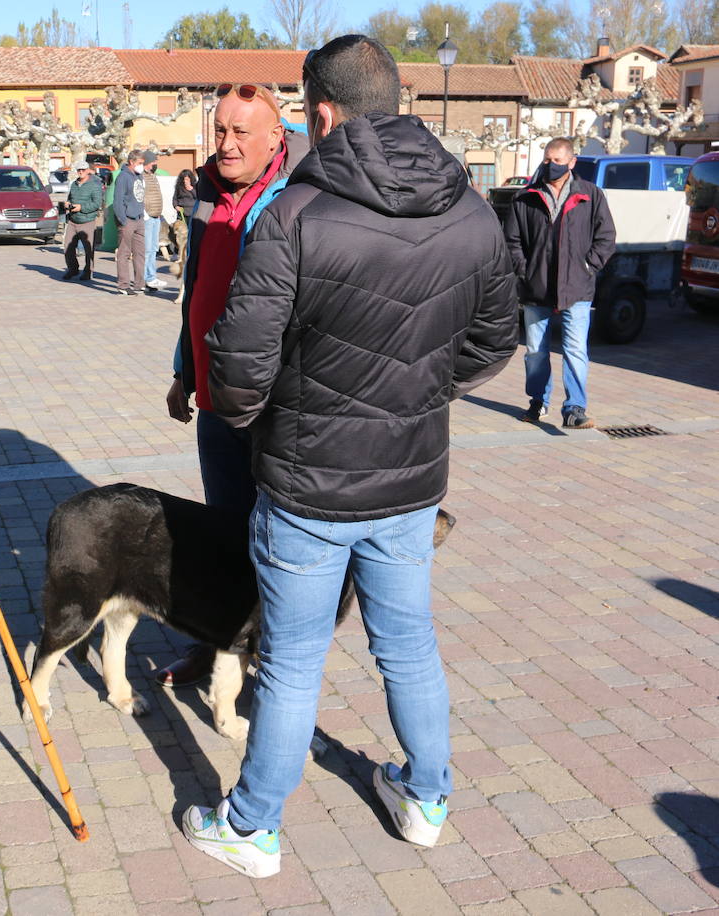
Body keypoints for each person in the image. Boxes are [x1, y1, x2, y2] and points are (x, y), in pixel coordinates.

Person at [181, 35, 518, 879]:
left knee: (293, 665)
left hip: (307, 488)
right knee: (408, 646)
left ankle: (253, 827)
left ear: (320, 114)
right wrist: (419, 388)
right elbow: (495, 340)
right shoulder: (470, 209)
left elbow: (239, 369)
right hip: (407, 480)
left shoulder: (296, 215)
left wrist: (268, 425)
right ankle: (427, 799)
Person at [156, 85, 309, 691]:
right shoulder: (207, 195)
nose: (226, 143)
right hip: (217, 397)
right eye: (220, 130)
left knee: (272, 537)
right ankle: (215, 644)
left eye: (241, 131)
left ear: (277, 136)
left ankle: (271, 661)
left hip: (271, 405)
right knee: (224, 531)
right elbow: (197, 293)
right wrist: (183, 372)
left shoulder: (295, 199)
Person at [505, 137, 616, 428]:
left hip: (577, 288)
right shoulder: (525, 197)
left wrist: (587, 266)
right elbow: (511, 240)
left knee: (576, 349)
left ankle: (574, 409)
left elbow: (606, 237)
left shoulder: (591, 195)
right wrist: (524, 270)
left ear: (571, 162)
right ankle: (538, 401)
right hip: (536, 288)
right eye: (547, 159)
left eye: (557, 161)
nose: (551, 165)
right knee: (536, 352)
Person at [63, 160, 103, 281]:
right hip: (73, 220)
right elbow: (70, 197)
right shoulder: (74, 184)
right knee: (67, 247)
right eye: (78, 170)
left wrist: (82, 208)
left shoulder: (94, 185)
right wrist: (67, 203)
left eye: (83, 170)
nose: (80, 172)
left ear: (88, 171)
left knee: (88, 249)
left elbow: (97, 203)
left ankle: (88, 271)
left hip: (87, 221)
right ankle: (73, 269)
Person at [113, 150, 146, 295]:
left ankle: (139, 284)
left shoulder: (138, 176)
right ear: (132, 162)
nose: (142, 166)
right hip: (127, 220)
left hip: (139, 219)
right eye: (140, 163)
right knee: (124, 253)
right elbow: (117, 201)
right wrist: (123, 220)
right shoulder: (123, 177)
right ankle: (123, 285)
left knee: (140, 253)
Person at [142, 150, 167, 291]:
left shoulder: (152, 176)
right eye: (153, 162)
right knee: (147, 250)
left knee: (153, 249)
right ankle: (147, 277)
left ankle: (151, 276)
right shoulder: (142, 177)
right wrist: (145, 214)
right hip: (147, 218)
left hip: (155, 217)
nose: (155, 165)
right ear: (147, 163)